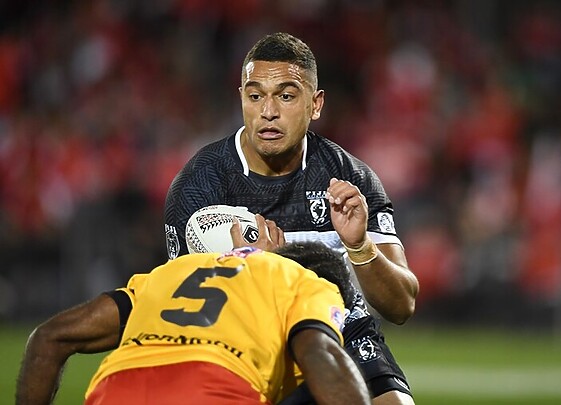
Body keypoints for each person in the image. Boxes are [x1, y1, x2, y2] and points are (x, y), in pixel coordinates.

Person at [164, 32, 419, 404]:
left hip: (340, 333)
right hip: (242, 344)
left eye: (285, 95)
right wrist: (254, 273)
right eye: (255, 96)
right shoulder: (199, 186)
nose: (268, 111)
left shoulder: (350, 179)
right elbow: (180, 317)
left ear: (315, 105)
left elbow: (401, 306)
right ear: (241, 100)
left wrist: (360, 246)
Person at [16, 242, 371, 405]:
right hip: (216, 388)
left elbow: (49, 337)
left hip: (114, 389)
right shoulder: (311, 282)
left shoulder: (174, 270)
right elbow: (319, 351)